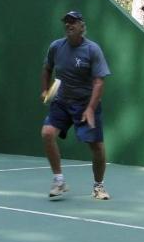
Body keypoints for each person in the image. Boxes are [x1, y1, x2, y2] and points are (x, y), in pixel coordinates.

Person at [40, 10, 111, 201]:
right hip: (61, 101)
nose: (68, 25)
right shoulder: (56, 47)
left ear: (82, 26)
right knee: (47, 133)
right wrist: (45, 89)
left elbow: (99, 82)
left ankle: (98, 186)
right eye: (66, 22)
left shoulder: (92, 50)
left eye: (73, 22)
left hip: (86, 103)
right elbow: (47, 68)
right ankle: (59, 180)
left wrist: (89, 108)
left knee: (96, 146)